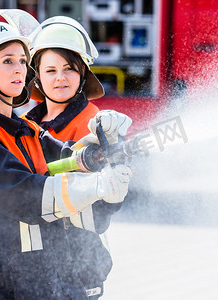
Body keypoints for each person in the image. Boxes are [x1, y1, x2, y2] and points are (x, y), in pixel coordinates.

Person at [0, 9, 132, 300]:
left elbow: (77, 172)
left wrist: (109, 151)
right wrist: (94, 186)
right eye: (8, 61)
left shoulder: (29, 131)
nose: (20, 70)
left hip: (44, 288)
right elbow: (21, 195)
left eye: (23, 61)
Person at [21, 16, 128, 299]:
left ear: (83, 73)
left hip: (78, 270)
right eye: (51, 69)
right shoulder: (25, 125)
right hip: (37, 269)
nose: (60, 77)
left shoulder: (95, 124)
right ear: (37, 76)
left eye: (69, 68)